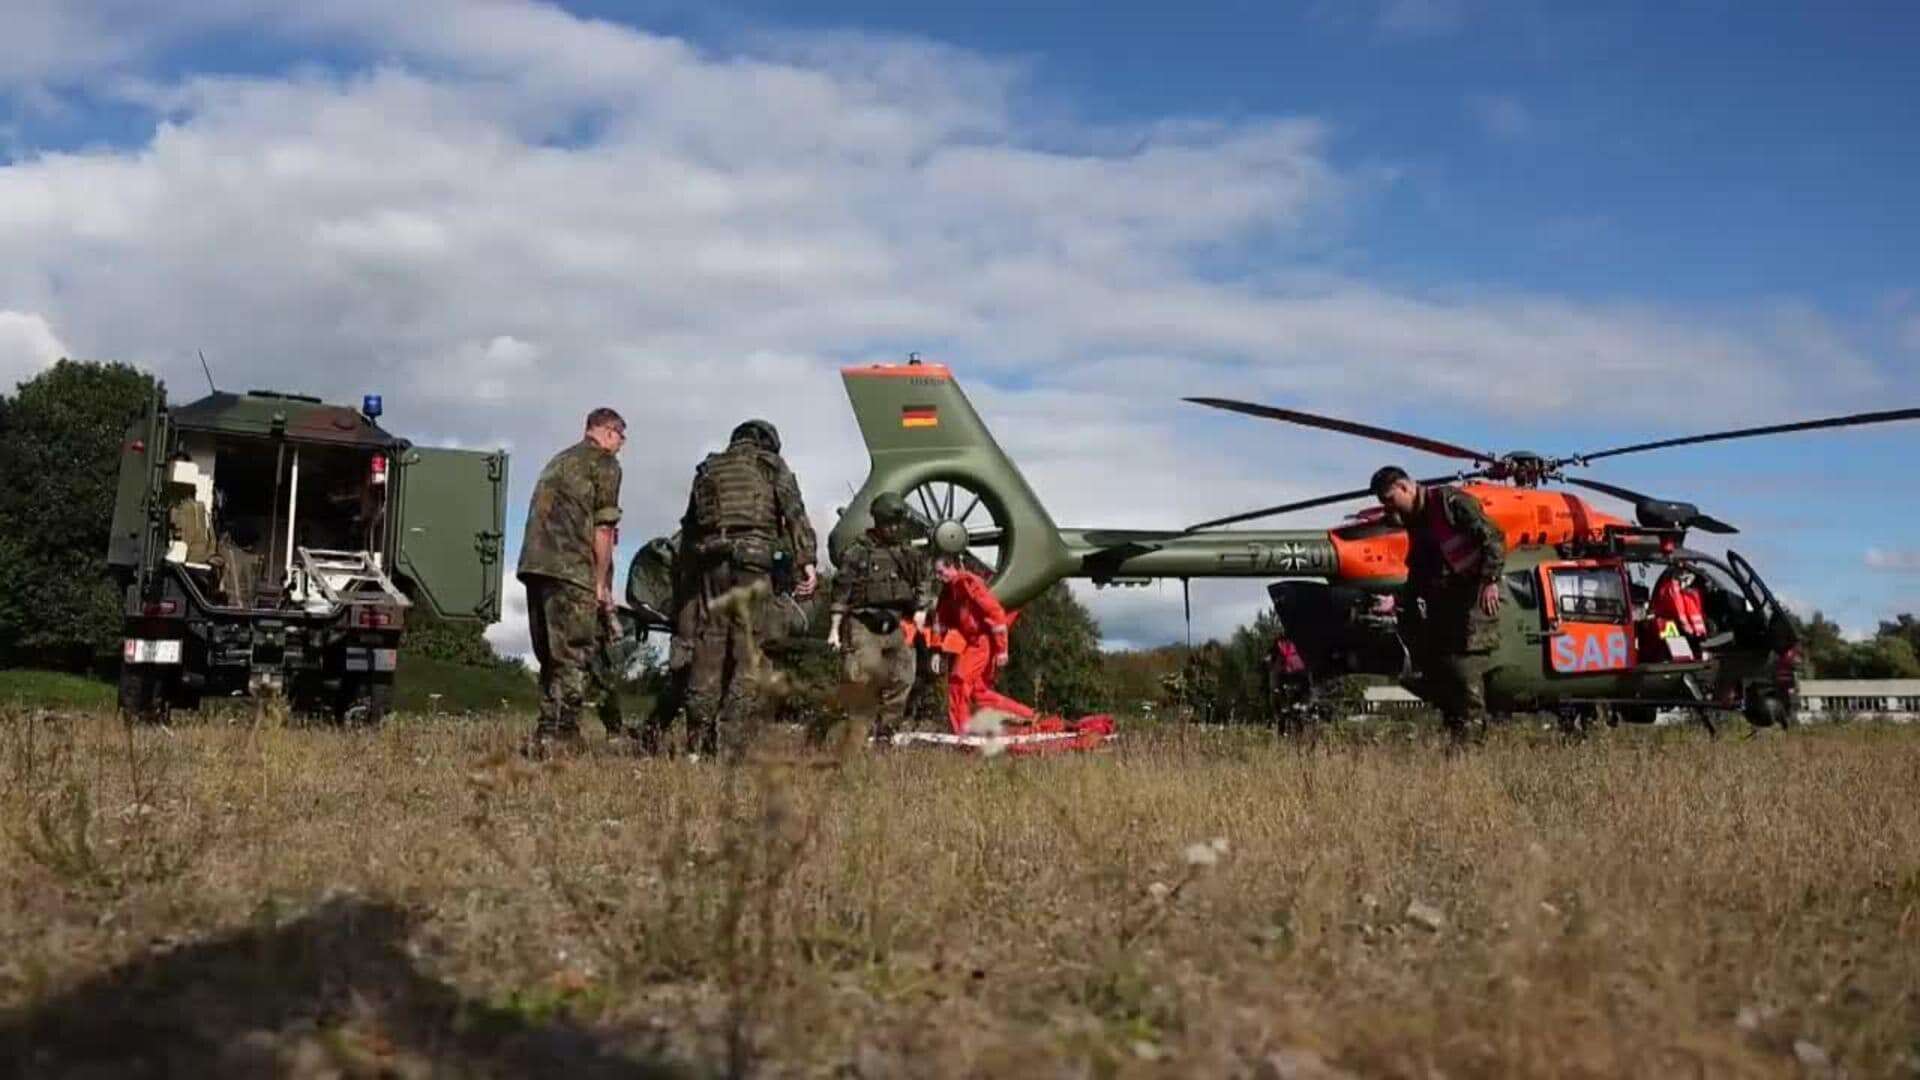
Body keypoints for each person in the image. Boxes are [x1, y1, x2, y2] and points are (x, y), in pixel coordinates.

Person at [679, 419, 818, 755]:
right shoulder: (770, 465)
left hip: (712, 563)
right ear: (767, 442)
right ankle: (731, 741)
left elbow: (690, 526)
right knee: (749, 650)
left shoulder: (709, 468)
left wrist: (687, 575)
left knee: (708, 649)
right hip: (753, 563)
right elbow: (794, 513)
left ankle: (697, 745)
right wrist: (807, 562)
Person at [1371, 465, 1505, 744]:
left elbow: (1492, 537)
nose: (1390, 509)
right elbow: (1419, 572)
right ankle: (1458, 734)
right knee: (1442, 666)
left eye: (1391, 500)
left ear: (1406, 487)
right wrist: (1397, 601)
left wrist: (1490, 579)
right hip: (1446, 603)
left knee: (1463, 668)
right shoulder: (1418, 521)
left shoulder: (1449, 503)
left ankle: (1470, 741)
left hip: (1474, 598)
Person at [518, 407, 626, 752]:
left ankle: (546, 733)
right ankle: (562, 737)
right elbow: (604, 528)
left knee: (551, 655)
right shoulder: (604, 463)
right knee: (575, 655)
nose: (622, 445)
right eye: (622, 438)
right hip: (571, 567)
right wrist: (600, 584)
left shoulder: (558, 461)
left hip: (535, 566)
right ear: (609, 432)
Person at [829, 492, 934, 742]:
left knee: (903, 677)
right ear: (879, 522)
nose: (895, 528)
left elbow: (925, 579)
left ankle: (886, 731)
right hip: (864, 623)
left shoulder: (907, 552)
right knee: (860, 678)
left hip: (897, 623)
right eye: (890, 523)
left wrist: (921, 609)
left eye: (898, 523)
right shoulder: (857, 551)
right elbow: (841, 591)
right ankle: (857, 733)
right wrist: (834, 629)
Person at [931, 555, 1034, 733]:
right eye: (936, 574)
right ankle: (1028, 716)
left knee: (959, 681)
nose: (938, 577)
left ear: (952, 567)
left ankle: (962, 734)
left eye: (941, 572)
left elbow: (995, 613)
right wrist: (936, 650)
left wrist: (1002, 649)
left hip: (982, 641)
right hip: (973, 642)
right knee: (978, 692)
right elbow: (939, 622)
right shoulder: (948, 591)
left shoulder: (968, 583)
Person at [1267, 622, 1314, 734]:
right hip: (1286, 677)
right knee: (1282, 703)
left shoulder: (1295, 643)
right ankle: (1284, 724)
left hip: (1295, 677)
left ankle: (1292, 726)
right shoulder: (1279, 645)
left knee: (1293, 706)